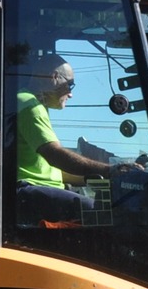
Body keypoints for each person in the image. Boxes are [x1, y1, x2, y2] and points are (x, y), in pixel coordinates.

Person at [14, 58, 116, 224]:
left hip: (37, 188)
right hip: (27, 190)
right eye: (70, 84)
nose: (70, 93)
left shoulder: (32, 103)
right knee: (99, 213)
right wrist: (111, 171)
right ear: (54, 77)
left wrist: (93, 178)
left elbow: (54, 170)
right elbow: (55, 155)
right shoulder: (30, 105)